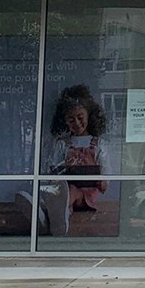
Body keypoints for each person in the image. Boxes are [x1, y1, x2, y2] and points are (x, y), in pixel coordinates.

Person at [48, 84, 109, 214]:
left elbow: (105, 171)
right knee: (67, 196)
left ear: (89, 116)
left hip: (86, 195)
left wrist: (103, 181)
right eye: (71, 120)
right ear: (64, 121)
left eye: (80, 118)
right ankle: (61, 217)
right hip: (64, 192)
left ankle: (47, 213)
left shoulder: (99, 144)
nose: (76, 123)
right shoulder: (62, 144)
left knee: (72, 192)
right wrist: (65, 167)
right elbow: (53, 172)